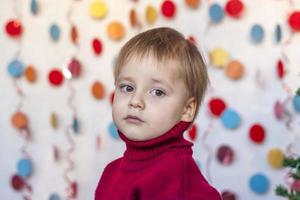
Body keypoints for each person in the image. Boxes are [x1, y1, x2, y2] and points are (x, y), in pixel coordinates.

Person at [95, 27, 221, 200]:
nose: (135, 101)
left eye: (157, 92)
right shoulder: (112, 172)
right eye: (127, 87)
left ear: (187, 109)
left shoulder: (174, 174)